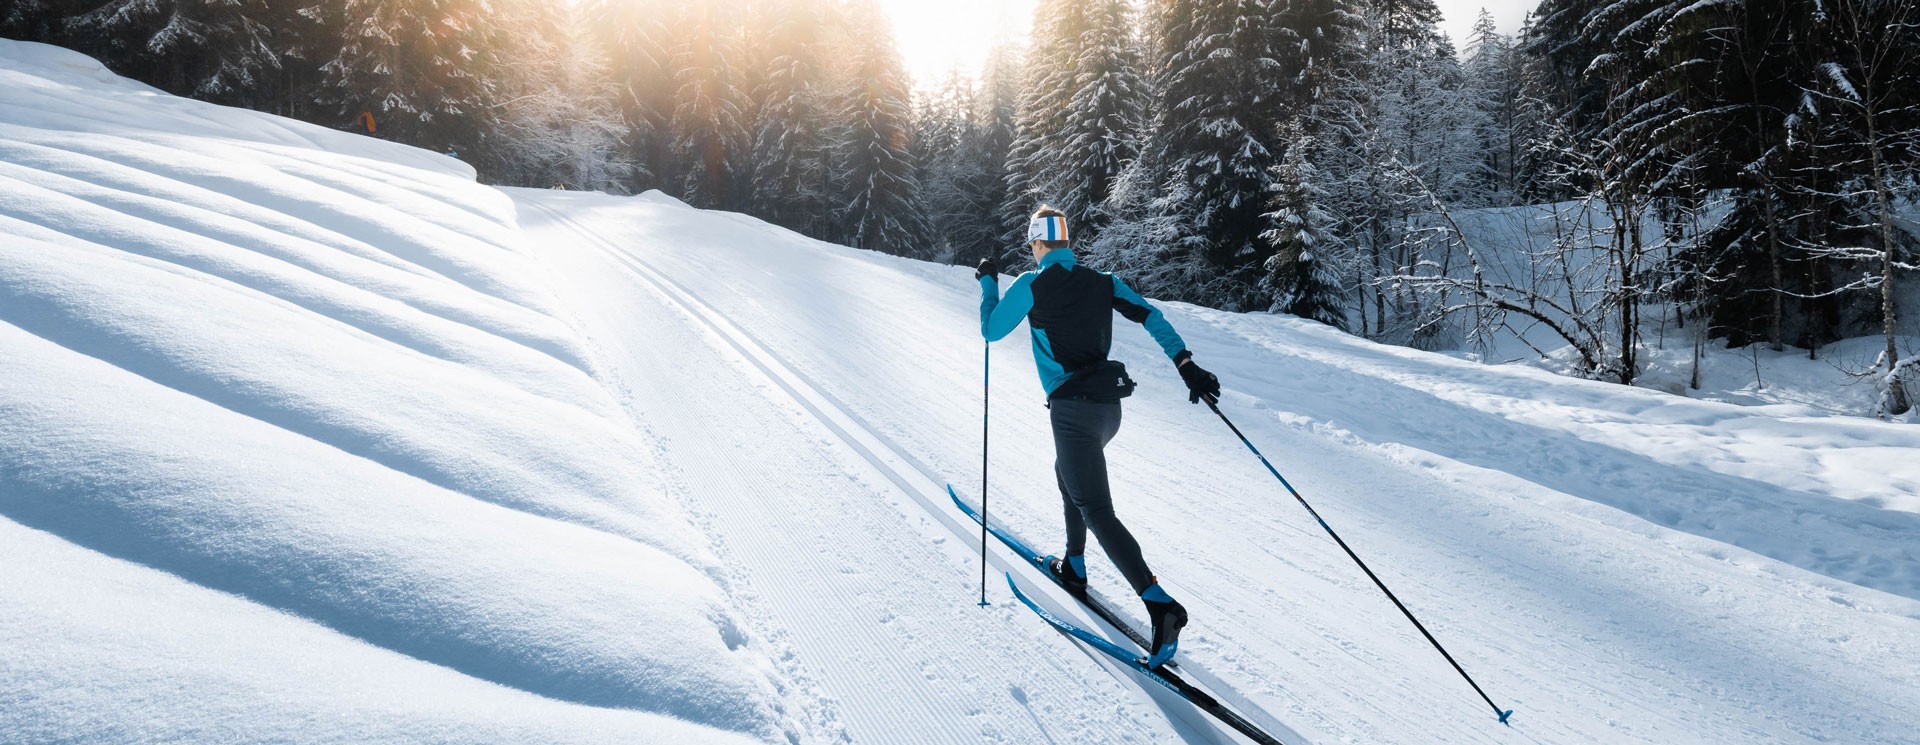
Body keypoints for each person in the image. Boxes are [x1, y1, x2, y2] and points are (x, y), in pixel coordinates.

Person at [975, 206, 1222, 669]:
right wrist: (1184, 363)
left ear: (1036, 244)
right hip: (1109, 411)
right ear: (1068, 242)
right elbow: (1149, 315)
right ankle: (1076, 566)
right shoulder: (1102, 279)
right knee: (1068, 477)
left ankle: (1159, 603)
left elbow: (991, 330)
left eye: (1032, 245)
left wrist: (989, 282)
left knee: (1096, 509)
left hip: (1073, 413)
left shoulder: (1031, 284)